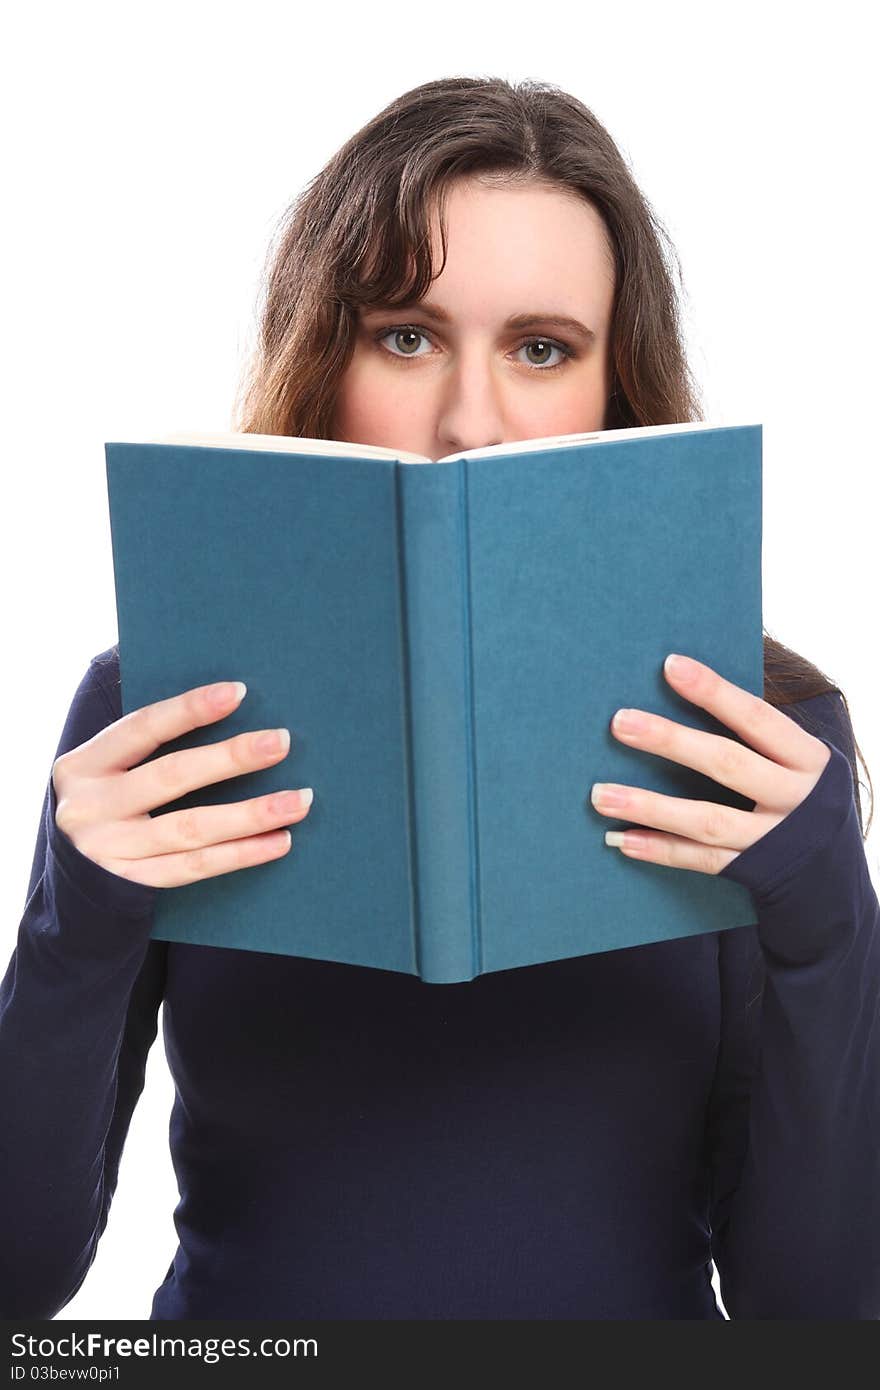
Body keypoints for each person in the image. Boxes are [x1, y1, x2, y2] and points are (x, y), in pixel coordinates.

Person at [2, 76, 878, 1321]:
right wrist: (74, 927)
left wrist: (826, 916)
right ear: (327, 357)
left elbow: (820, 1312)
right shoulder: (154, 712)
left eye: (541, 348)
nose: (471, 423)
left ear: (614, 382)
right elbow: (17, 1284)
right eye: (405, 335)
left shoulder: (756, 739)